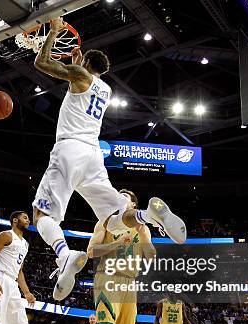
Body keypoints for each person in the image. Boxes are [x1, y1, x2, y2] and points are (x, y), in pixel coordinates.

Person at [33, 17, 186, 302]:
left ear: (85, 63)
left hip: (70, 149)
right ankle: (147, 216)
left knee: (42, 215)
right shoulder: (105, 89)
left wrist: (52, 34)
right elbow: (80, 82)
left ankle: (64, 255)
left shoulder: (81, 77)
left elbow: (41, 65)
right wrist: (77, 62)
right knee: (114, 219)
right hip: (93, 154)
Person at [82, 190, 152, 324]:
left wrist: (141, 230)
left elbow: (151, 256)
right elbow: (91, 251)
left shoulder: (143, 227)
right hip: (108, 277)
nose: (118, 197)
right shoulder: (104, 222)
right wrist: (116, 243)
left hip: (129, 282)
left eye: (124, 196)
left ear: (133, 204)